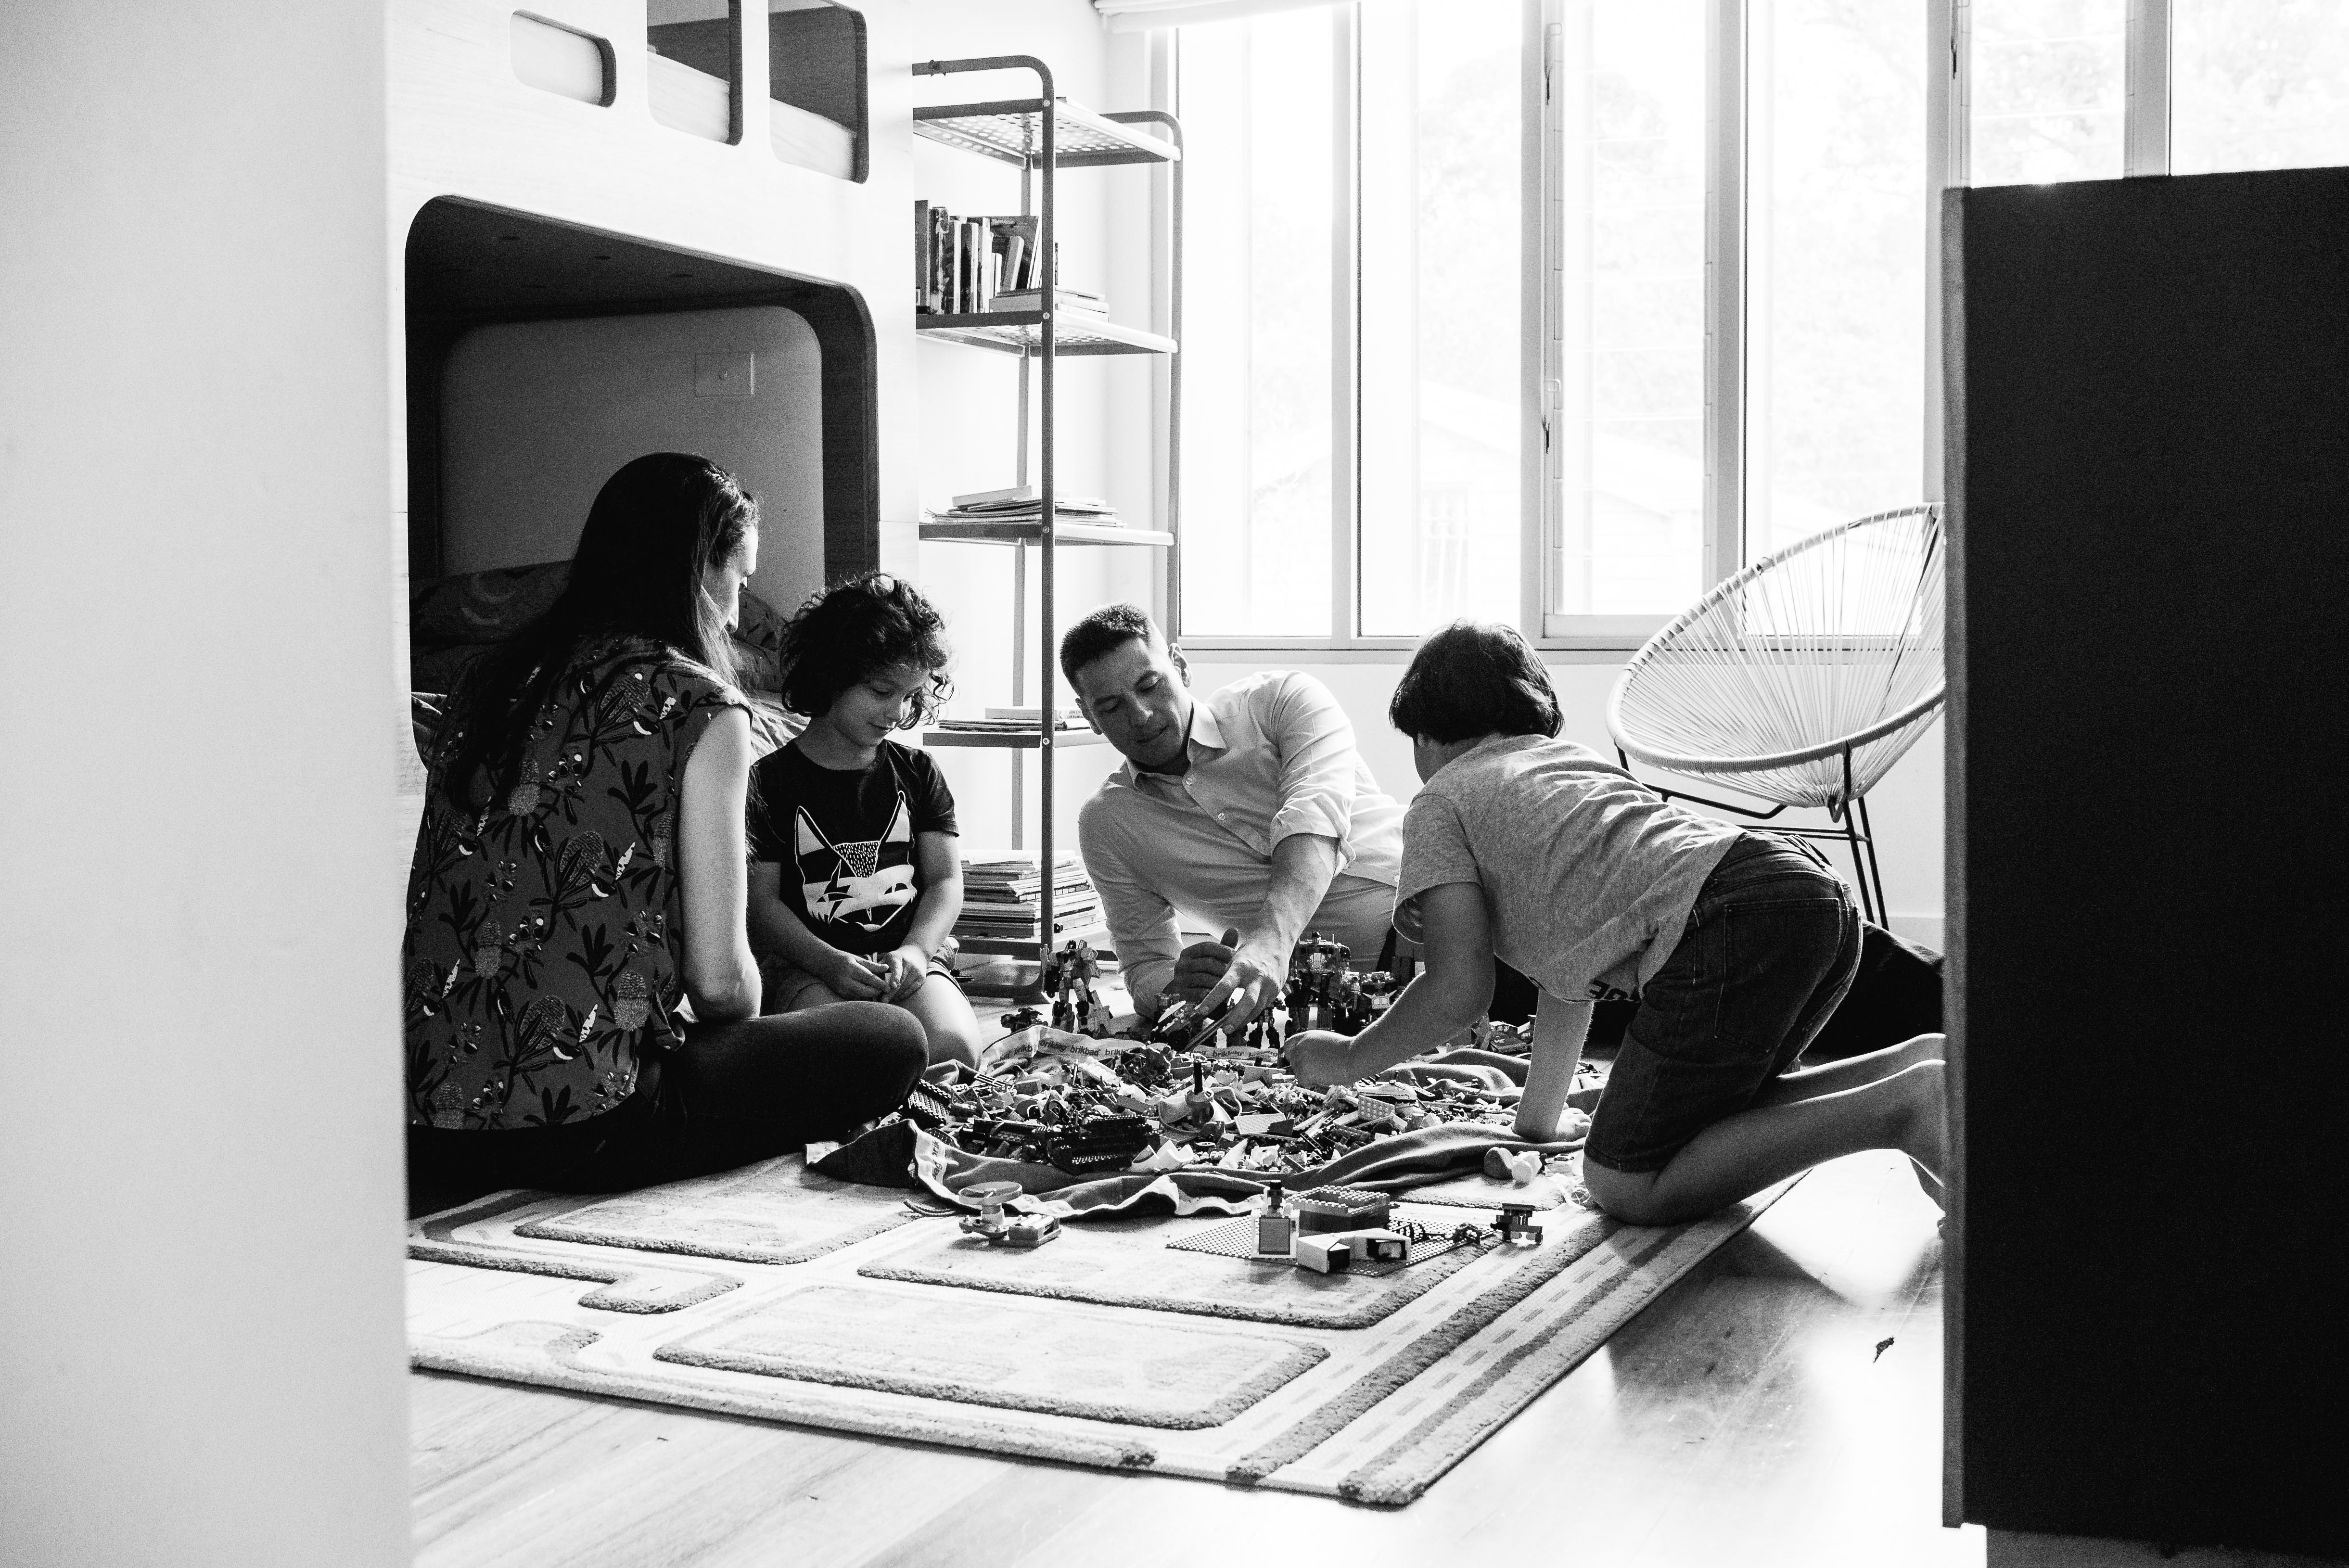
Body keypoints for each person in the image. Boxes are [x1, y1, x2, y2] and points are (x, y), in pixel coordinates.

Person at [1283, 621, 1946, 1226]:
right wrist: (1538, 1122)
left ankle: (1905, 1105)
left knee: (1623, 1179)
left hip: (1730, 915)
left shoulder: (1439, 801)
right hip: (1808, 892)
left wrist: (1348, 1058)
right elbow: (1568, 979)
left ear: (1424, 735)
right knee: (1720, 1110)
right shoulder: (1568, 766)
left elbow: (1460, 987)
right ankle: (1916, 1062)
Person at [403, 454, 927, 1197]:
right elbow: (719, 986)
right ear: (697, 566)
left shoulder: (483, 684)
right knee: (890, 1039)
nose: (739, 612)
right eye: (739, 580)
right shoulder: (699, 706)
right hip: (585, 1123)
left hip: (423, 1123)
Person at [1060, 604, 1407, 1031]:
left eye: (1150, 685)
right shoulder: (1107, 823)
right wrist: (1176, 987)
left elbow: (1313, 820)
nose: (1141, 715)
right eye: (1111, 706)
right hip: (1322, 1012)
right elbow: (1145, 962)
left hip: (1452, 919)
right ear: (1089, 716)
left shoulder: (1284, 699)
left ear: (1180, 665)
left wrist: (1271, 942)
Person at [746, 573, 983, 1070]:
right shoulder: (768, 781)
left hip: (909, 964)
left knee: (954, 1051)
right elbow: (760, 903)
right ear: (831, 674)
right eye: (881, 691)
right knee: (850, 1057)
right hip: (808, 967)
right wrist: (825, 962)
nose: (897, 711)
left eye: (910, 694)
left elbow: (945, 881)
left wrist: (918, 952)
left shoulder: (918, 773)